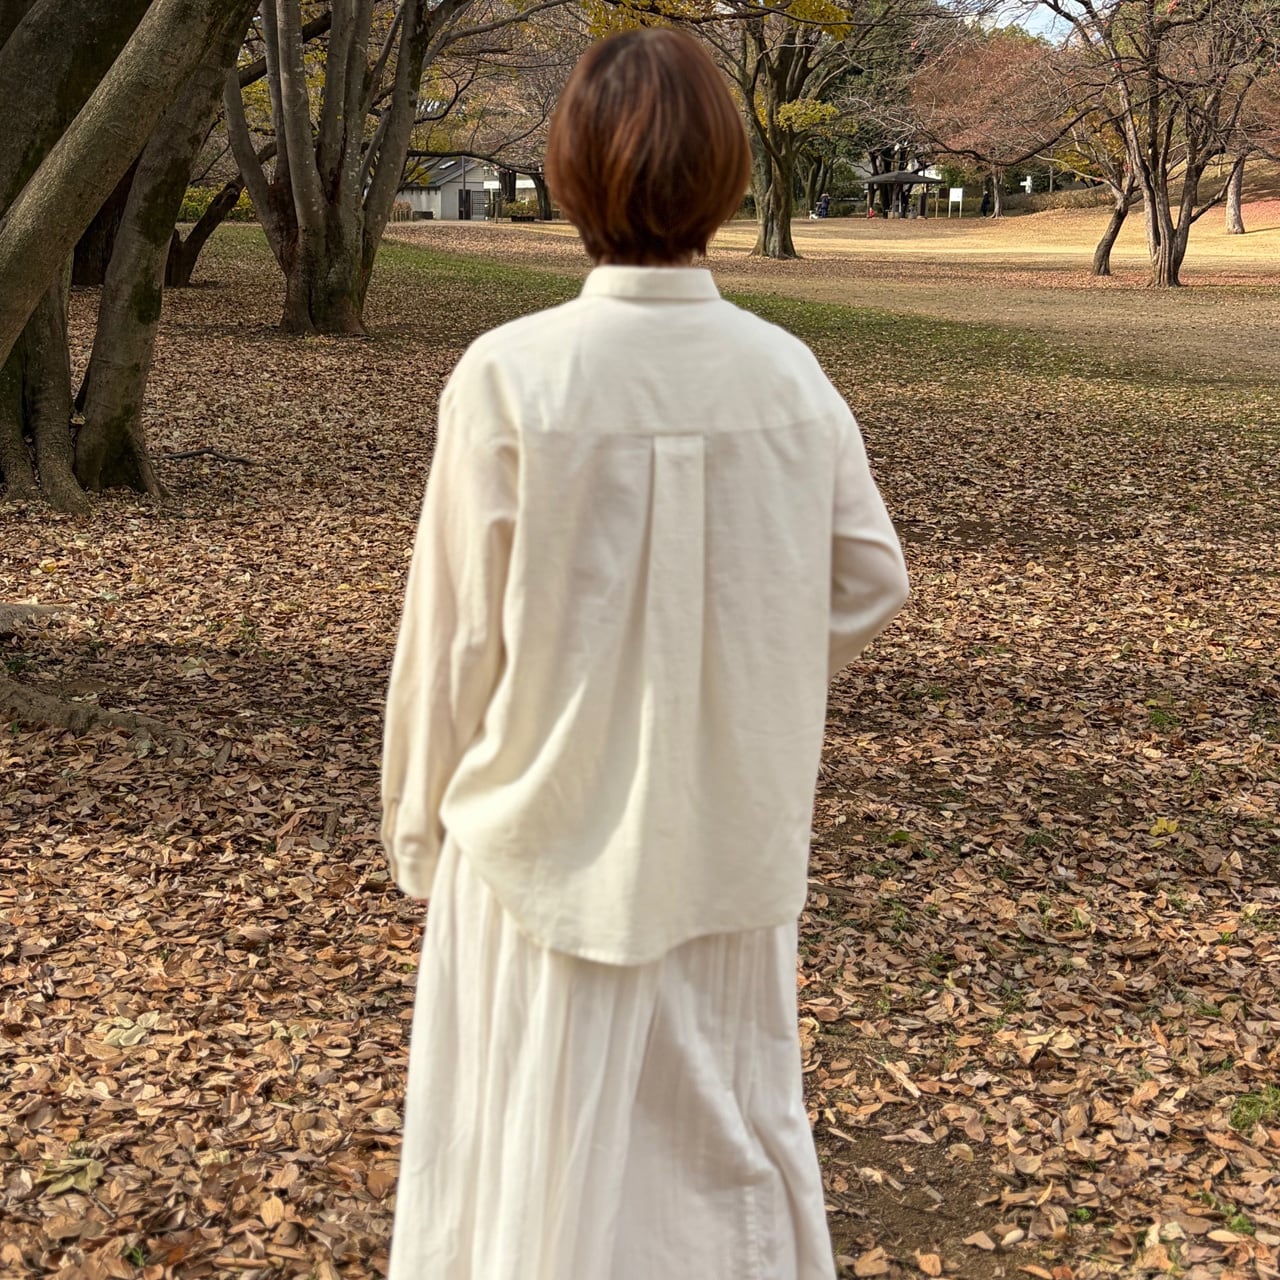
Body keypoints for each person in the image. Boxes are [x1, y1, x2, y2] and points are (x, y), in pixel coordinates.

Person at [380, 27, 909, 1280]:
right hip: (726, 843)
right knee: (723, 1168)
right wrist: (743, 668)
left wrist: (418, 832)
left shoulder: (514, 376)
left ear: (569, 169)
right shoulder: (785, 376)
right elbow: (867, 575)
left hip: (537, 845)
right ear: (725, 170)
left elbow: (453, 638)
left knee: (529, 1165)